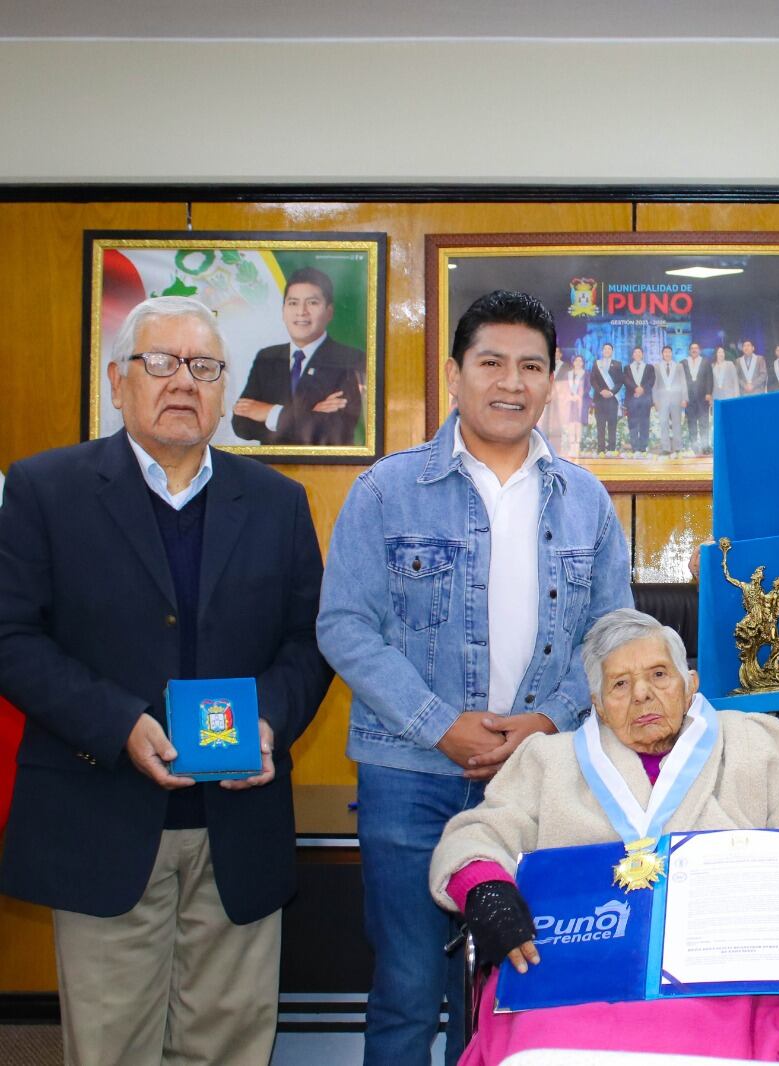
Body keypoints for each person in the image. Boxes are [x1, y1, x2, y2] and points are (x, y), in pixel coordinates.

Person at [0, 295, 331, 1065]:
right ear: (118, 382)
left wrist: (270, 723)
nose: (183, 381)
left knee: (229, 1046)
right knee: (112, 1048)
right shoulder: (46, 490)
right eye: (161, 363)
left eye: (205, 367)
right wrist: (116, 722)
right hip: (101, 817)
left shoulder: (278, 504)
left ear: (223, 390)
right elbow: (10, 636)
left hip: (237, 830)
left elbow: (309, 641)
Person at [318, 290, 633, 1066]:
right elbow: (343, 626)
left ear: (553, 381)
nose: (511, 381)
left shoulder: (586, 500)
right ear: (455, 374)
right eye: (491, 361)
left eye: (531, 366)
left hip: (538, 775)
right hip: (409, 773)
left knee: (515, 983)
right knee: (407, 983)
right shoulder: (386, 490)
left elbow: (613, 635)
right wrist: (439, 723)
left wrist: (550, 721)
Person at [429, 608, 779, 1063]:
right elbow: (477, 834)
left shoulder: (759, 744)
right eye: (621, 684)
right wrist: (486, 889)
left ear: (690, 685)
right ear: (599, 705)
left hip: (721, 985)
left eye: (659, 674)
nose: (643, 695)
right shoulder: (547, 761)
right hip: (569, 985)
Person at [231, 266, 365, 446]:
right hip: (272, 469)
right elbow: (241, 424)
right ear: (283, 310)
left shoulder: (351, 359)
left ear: (329, 312)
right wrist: (311, 414)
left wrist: (271, 413)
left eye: (312, 302)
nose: (301, 311)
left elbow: (336, 428)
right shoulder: (267, 358)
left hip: (329, 470)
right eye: (293, 303)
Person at [653, 343, 687, 455]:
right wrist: (655, 401)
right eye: (665, 352)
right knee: (663, 423)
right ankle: (666, 448)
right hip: (662, 401)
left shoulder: (678, 366)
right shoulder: (656, 367)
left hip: (677, 399)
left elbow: (683, 383)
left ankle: (678, 447)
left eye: (669, 352)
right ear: (662, 354)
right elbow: (655, 385)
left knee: (677, 423)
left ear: (671, 354)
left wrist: (684, 398)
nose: (667, 354)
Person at [589, 342, 622, 455]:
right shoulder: (596, 363)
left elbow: (619, 382)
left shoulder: (617, 364)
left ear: (612, 351)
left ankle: (612, 449)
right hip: (599, 398)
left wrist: (612, 392)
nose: (607, 351)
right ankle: (601, 449)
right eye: (605, 349)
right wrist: (601, 391)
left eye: (609, 349)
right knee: (600, 425)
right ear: (602, 351)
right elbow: (593, 380)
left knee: (612, 424)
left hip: (612, 399)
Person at [553, 352, 588, 459]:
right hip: (569, 401)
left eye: (580, 361)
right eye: (576, 360)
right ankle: (570, 447)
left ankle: (578, 447)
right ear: (573, 362)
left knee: (578, 423)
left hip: (580, 402)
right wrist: (569, 396)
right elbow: (563, 387)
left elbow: (588, 387)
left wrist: (579, 396)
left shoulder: (586, 374)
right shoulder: (568, 374)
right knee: (570, 424)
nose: (578, 362)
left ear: (583, 363)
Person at [623, 344, 655, 455]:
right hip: (632, 399)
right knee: (632, 423)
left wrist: (642, 389)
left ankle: (643, 447)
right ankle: (634, 447)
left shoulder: (649, 367)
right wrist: (636, 389)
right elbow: (626, 381)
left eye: (639, 352)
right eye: (635, 352)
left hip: (645, 399)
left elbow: (651, 381)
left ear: (642, 355)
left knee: (644, 423)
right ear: (632, 355)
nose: (637, 354)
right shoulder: (627, 368)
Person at [682, 340, 714, 452]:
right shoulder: (683, 363)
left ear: (699, 350)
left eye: (696, 348)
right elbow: (681, 382)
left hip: (702, 397)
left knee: (704, 422)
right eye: (692, 348)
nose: (694, 350)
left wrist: (709, 393)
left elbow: (710, 378)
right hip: (689, 399)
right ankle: (694, 447)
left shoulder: (705, 362)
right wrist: (683, 397)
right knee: (691, 423)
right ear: (689, 351)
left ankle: (705, 446)